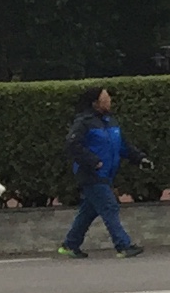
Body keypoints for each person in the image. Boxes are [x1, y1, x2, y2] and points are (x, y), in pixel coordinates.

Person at [57, 87, 147, 258]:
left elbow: (122, 146)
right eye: (105, 98)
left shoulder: (110, 122)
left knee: (88, 211)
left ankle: (70, 245)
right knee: (109, 206)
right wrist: (93, 161)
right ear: (95, 103)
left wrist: (139, 159)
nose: (109, 101)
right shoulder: (84, 122)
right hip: (91, 173)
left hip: (106, 174)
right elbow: (72, 144)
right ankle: (123, 246)